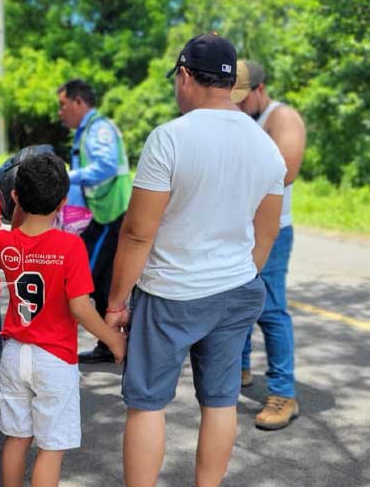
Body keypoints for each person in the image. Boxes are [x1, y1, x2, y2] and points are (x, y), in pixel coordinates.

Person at [106, 34, 287, 487]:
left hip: (171, 293)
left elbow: (137, 232)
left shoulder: (170, 138)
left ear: (185, 76)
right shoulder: (266, 145)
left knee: (147, 403)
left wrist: (115, 303)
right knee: (221, 400)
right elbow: (265, 233)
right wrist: (238, 273)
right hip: (237, 291)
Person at [0, 153, 126, 487]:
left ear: (15, 197)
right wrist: (113, 340)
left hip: (13, 354)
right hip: (53, 358)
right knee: (51, 448)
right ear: (64, 202)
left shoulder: (3, 241)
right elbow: (80, 308)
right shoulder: (70, 246)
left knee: (16, 438)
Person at [232, 60, 306, 430]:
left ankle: (283, 393)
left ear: (260, 90)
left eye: (242, 100)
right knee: (239, 303)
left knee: (271, 309)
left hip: (271, 231)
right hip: (238, 229)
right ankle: (240, 369)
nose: (238, 107)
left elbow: (287, 170)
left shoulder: (282, 118)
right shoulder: (243, 118)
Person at [56, 79, 132, 364]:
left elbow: (106, 166)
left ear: (79, 102)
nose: (60, 112)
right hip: (103, 214)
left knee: (80, 279)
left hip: (109, 215)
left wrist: (67, 177)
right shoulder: (87, 129)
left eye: (63, 105)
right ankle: (112, 343)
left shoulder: (98, 129)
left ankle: (105, 341)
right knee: (104, 282)